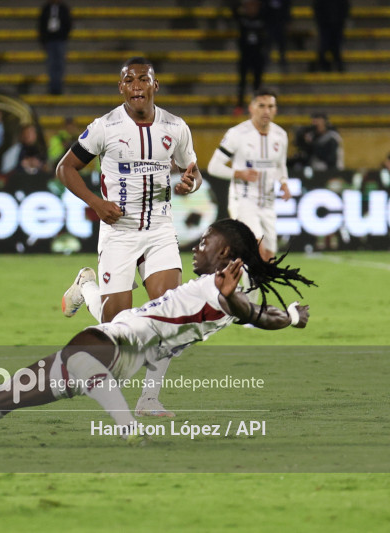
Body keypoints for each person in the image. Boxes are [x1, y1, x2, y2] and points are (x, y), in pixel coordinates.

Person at [0, 219, 314, 447]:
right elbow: (259, 315)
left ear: (227, 253)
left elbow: (245, 308)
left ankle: (126, 424)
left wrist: (258, 307)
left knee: (73, 360)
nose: (198, 245)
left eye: (207, 240)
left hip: (113, 346)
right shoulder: (229, 293)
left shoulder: (222, 287)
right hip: (121, 352)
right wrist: (291, 317)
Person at [56, 57, 203, 417]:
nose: (137, 85)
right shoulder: (104, 127)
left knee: (170, 314)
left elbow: (193, 170)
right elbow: (65, 168)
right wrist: (96, 203)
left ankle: (148, 399)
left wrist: (190, 183)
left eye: (144, 79)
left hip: (159, 230)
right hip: (119, 232)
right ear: (121, 88)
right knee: (117, 331)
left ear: (155, 85)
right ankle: (86, 288)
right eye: (129, 80)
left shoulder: (175, 126)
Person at [208, 88, 291, 264]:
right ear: (251, 108)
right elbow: (213, 167)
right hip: (244, 200)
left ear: (275, 110)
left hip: (268, 202)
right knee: (257, 249)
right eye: (261, 106)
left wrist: (283, 183)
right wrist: (238, 173)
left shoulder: (280, 135)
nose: (266, 111)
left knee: (269, 258)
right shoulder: (237, 134)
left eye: (270, 106)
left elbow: (280, 165)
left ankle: (244, 281)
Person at [232, 0, 267, 114]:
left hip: (257, 56)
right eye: (248, 6)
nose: (251, 9)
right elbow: (234, 10)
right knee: (242, 82)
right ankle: (239, 106)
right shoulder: (243, 19)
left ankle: (256, 106)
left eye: (254, 6)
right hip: (245, 55)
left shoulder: (262, 18)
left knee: (257, 83)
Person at [38, 0, 72, 95]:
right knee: (51, 64)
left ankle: (58, 87)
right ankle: (53, 87)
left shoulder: (63, 8)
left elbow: (68, 23)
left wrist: (64, 36)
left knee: (59, 64)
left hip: (60, 39)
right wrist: (43, 38)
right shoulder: (46, 8)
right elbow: (42, 24)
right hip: (49, 40)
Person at [314, 0, 350, 72]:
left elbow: (345, 7)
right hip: (327, 25)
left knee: (334, 46)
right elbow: (317, 8)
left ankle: (335, 66)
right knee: (326, 46)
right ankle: (330, 65)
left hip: (336, 25)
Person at [263, 0, 292, 70]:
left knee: (282, 43)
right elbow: (263, 9)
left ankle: (282, 59)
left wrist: (288, 21)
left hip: (280, 22)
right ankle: (266, 59)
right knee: (267, 42)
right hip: (269, 23)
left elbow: (287, 9)